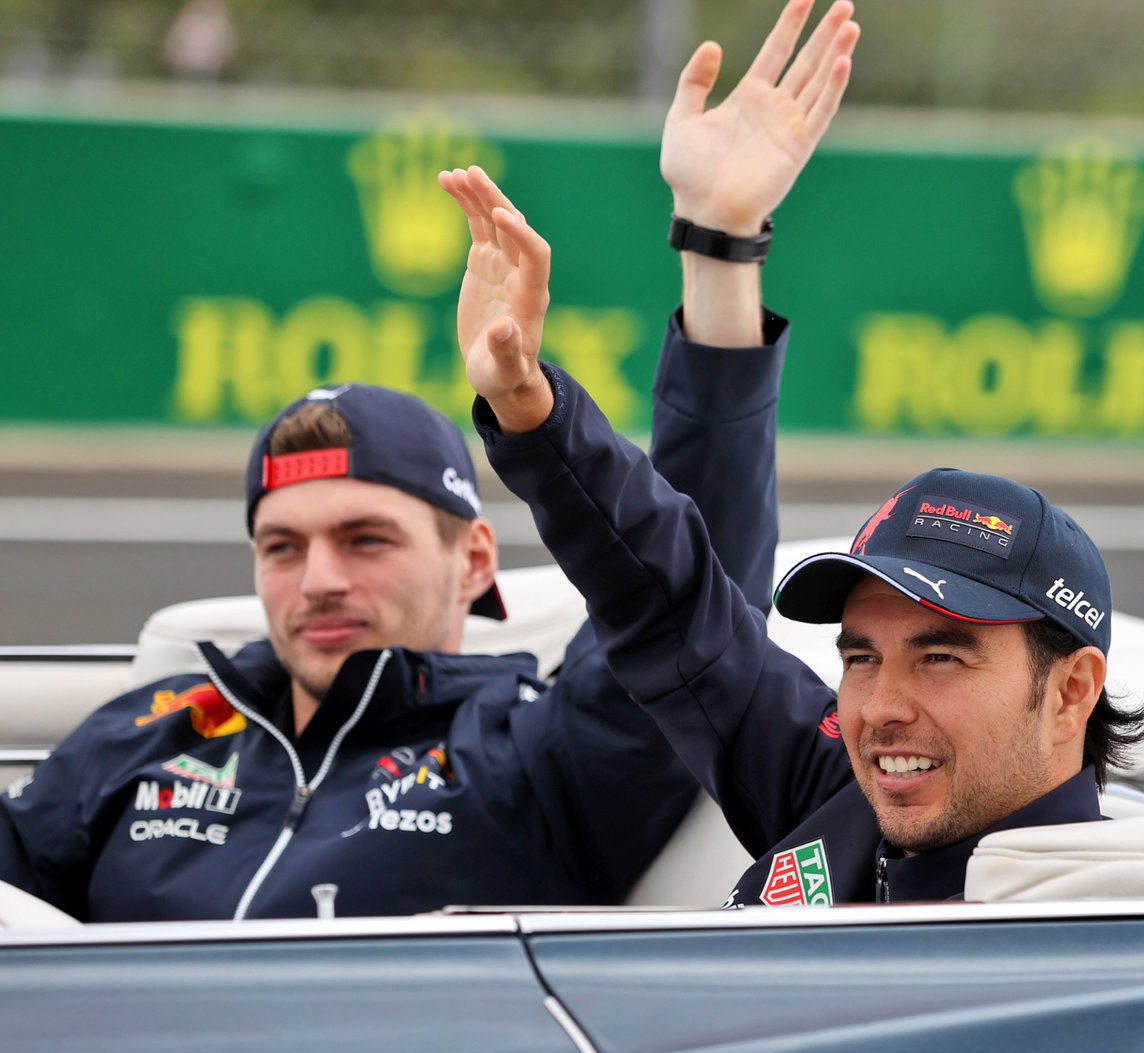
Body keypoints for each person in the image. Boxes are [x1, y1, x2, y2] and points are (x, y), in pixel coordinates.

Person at [0, 0, 860, 921]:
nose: (317, 580)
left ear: (475, 561)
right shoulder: (151, 728)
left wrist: (717, 247)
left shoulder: (534, 755)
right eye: (282, 547)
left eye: (367, 539)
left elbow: (687, 587)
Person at [450, 84, 1144, 907]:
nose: (881, 708)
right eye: (859, 657)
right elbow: (671, 599)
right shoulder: (844, 785)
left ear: (1071, 690)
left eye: (940, 658)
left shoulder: (1116, 921)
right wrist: (532, 411)